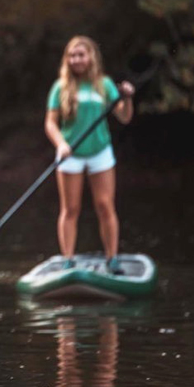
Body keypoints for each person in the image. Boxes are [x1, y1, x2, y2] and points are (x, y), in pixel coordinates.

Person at [44, 36, 134, 273]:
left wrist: (126, 98)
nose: (76, 60)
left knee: (105, 205)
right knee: (70, 208)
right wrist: (61, 144)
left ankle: (112, 258)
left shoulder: (104, 85)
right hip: (70, 153)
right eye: (72, 55)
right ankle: (68, 260)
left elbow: (124, 117)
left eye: (81, 55)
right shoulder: (60, 87)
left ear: (91, 57)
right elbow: (51, 123)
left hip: (100, 151)